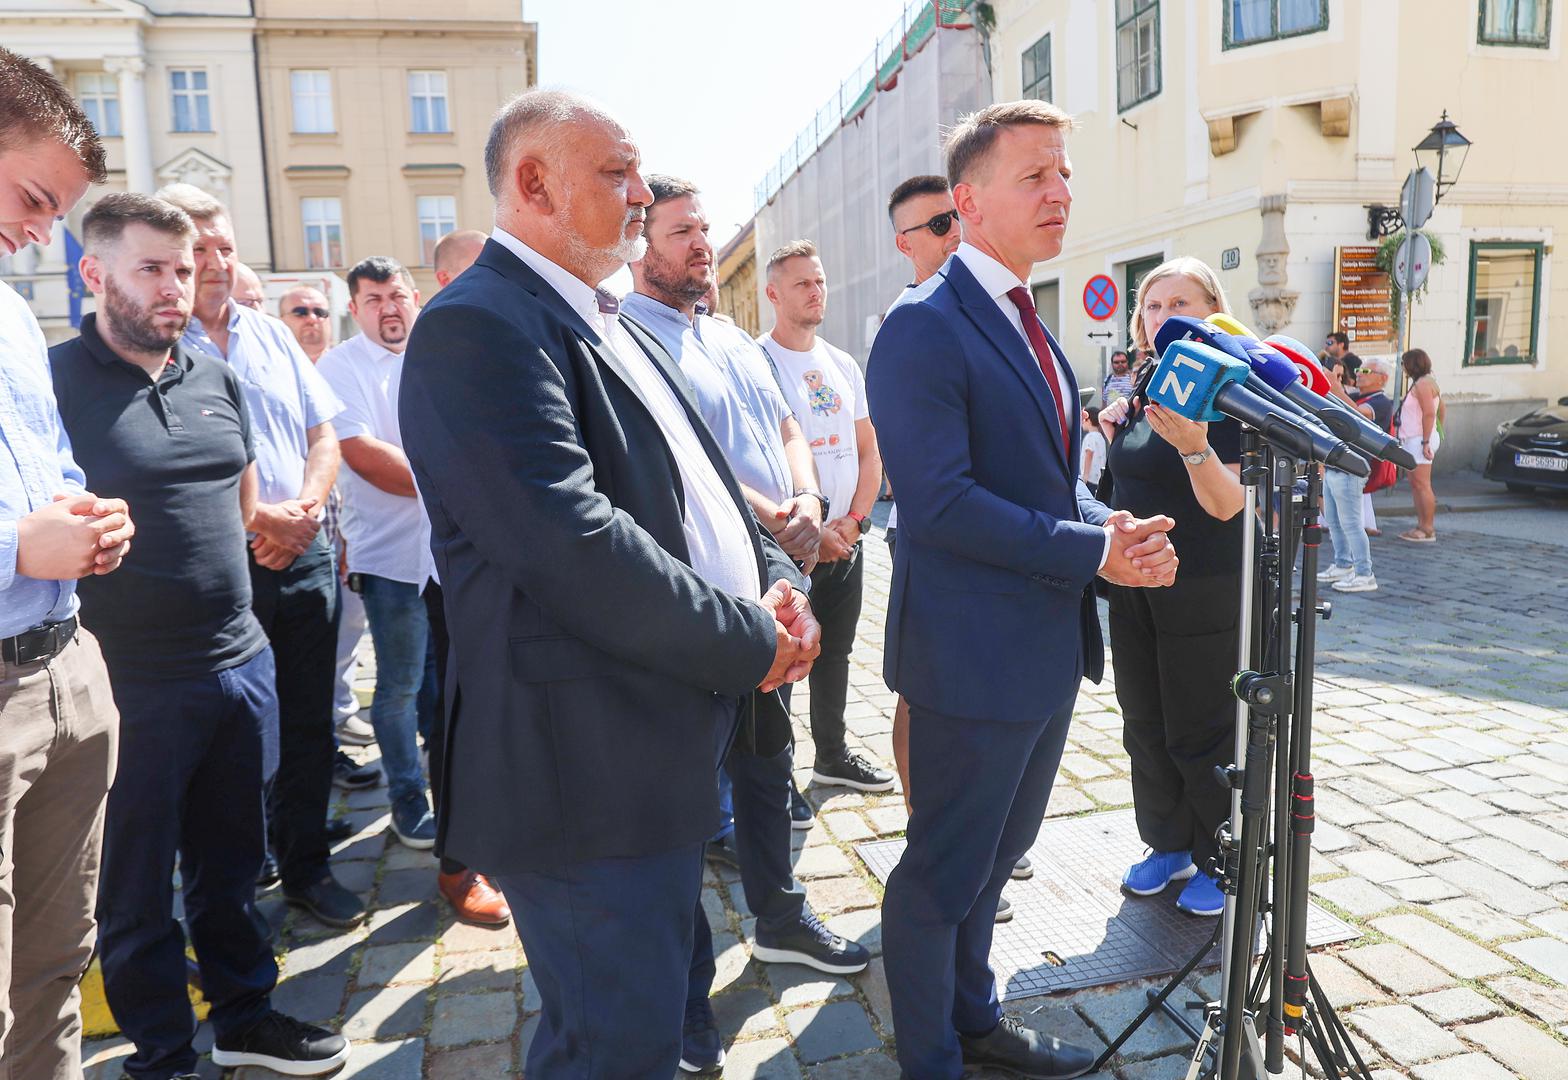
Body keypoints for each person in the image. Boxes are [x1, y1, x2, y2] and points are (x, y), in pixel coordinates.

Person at [398, 89, 821, 1080]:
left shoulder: (600, 314)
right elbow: (570, 543)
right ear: (534, 183)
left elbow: (700, 480)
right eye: (617, 172)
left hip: (649, 736)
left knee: (649, 1016)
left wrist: (773, 579)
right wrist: (749, 638)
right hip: (580, 770)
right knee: (611, 1045)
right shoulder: (476, 326)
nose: (640, 193)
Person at [868, 99, 1177, 1080]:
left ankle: (974, 1021)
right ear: (967, 201)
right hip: (968, 660)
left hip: (1039, 654)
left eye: (1063, 173)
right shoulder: (923, 326)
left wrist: (1103, 524)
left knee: (994, 864)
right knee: (941, 875)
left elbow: (1044, 480)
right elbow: (941, 505)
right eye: (1034, 175)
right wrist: (1092, 555)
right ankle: (930, 1061)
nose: (1060, 192)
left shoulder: (1028, 318)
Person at [53, 191, 349, 1079]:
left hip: (239, 663)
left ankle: (245, 1016)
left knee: (232, 868)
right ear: (94, 273)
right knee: (136, 888)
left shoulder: (214, 376)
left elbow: (241, 495)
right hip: (130, 683)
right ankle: (163, 1054)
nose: (175, 286)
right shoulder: (53, 383)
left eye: (183, 269)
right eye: (151, 268)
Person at [623, 174, 866, 993]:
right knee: (688, 780)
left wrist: (808, 500)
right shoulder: (628, 339)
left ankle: (779, 919)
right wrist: (774, 514)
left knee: (768, 756)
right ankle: (678, 976)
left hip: (774, 571)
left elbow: (788, 423)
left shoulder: (729, 338)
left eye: (704, 229)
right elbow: (686, 459)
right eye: (681, 232)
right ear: (639, 244)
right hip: (702, 585)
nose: (702, 244)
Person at [158, 183, 371, 924]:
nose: (216, 262)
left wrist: (305, 510)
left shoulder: (271, 335)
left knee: (309, 721)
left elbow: (323, 432)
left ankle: (308, 864)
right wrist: (260, 521)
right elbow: (169, 466)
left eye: (225, 247)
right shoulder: (156, 343)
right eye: (200, 250)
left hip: (304, 551)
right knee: (231, 732)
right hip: (224, 563)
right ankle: (234, 880)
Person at [0, 49, 135, 1080]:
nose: (45, 231)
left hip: (67, 671)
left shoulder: (11, 312)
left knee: (55, 965)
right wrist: (14, 547)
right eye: (34, 199)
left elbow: (46, 462)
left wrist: (84, 512)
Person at [880, 173, 1028, 923]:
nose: (953, 234)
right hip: (938, 544)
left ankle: (983, 835)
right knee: (926, 695)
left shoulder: (999, 310)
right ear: (905, 243)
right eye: (936, 225)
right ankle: (929, 826)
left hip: (1005, 556)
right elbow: (927, 482)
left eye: (956, 219)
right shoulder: (913, 320)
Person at [1096, 256, 1245, 920]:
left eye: (1179, 304)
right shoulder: (1145, 381)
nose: (1163, 317)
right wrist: (1112, 433)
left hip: (1202, 580)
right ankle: (1168, 842)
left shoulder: (1227, 383)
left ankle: (1223, 857)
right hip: (1136, 578)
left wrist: (1192, 446)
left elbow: (1228, 504)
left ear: (1212, 309)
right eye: (1153, 307)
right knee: (1145, 719)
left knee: (1202, 725)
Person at [760, 240, 896, 796]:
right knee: (783, 661)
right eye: (802, 283)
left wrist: (856, 521)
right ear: (773, 294)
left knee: (835, 653)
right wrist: (812, 531)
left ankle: (832, 757)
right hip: (787, 545)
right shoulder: (756, 362)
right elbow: (753, 458)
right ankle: (777, 780)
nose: (816, 292)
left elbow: (869, 450)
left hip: (847, 540)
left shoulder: (841, 363)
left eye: (819, 281)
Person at [317, 257, 441, 850]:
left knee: (446, 681)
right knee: (398, 688)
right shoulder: (339, 366)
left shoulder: (439, 352)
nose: (389, 309)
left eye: (396, 296)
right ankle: (407, 801)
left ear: (414, 297)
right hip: (389, 557)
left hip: (449, 550)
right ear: (354, 309)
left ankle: (453, 785)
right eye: (374, 300)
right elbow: (362, 454)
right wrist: (455, 479)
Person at [412, 230, 512, 927]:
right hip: (457, 579)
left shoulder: (497, 336)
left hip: (513, 574)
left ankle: (501, 840)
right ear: (448, 281)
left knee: (504, 718)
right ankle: (457, 866)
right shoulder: (440, 345)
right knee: (459, 725)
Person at [1396, 347, 1444, 542]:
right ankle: (1422, 525)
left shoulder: (1423, 384)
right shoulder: (1425, 382)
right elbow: (1441, 409)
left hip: (1419, 439)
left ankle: (1427, 528)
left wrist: (1426, 441)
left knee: (1422, 484)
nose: (1403, 367)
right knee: (1416, 484)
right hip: (1414, 438)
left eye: (1404, 363)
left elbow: (1430, 413)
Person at [1353, 357, 1396, 536]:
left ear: (1382, 378)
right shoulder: (1357, 396)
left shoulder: (1382, 402)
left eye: (1365, 371)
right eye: (1358, 370)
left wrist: (1337, 391)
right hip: (1354, 458)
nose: (1359, 374)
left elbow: (1357, 412)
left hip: (1362, 460)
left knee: (1351, 513)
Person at [1081, 406, 1106, 487]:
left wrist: (1085, 476)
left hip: (1089, 479)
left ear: (1088, 420)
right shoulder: (1100, 437)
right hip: (1099, 479)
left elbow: (1089, 454)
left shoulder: (1090, 437)